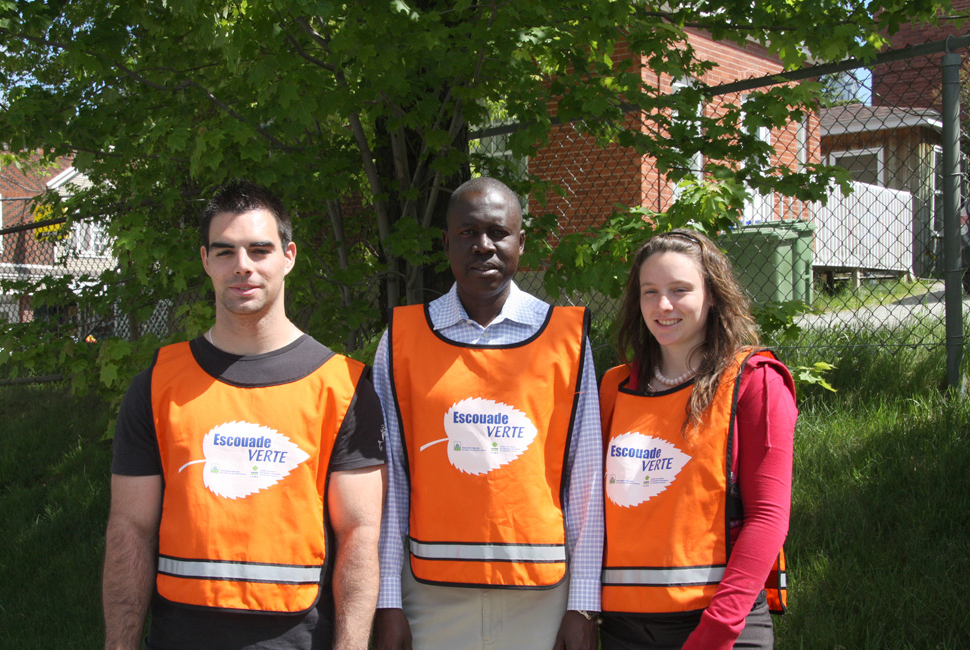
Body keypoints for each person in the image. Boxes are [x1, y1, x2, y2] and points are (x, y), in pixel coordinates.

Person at [102, 180, 386, 650]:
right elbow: (130, 530)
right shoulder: (157, 386)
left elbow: (359, 536)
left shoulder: (343, 387)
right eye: (225, 251)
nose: (242, 266)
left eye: (259, 250)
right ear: (205, 260)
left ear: (288, 256)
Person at [372, 177, 603, 650]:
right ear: (446, 243)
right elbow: (388, 479)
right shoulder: (402, 338)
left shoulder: (566, 339)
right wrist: (388, 599)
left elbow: (585, 478)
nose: (483, 245)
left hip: (540, 593)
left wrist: (582, 603)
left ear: (521, 242)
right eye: (468, 233)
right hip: (429, 593)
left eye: (498, 233)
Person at [598, 229, 796, 650]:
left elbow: (768, 518)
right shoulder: (615, 387)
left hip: (718, 626)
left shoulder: (755, 380)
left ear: (713, 296)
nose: (663, 305)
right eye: (650, 292)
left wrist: (717, 630)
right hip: (623, 627)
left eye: (680, 290)